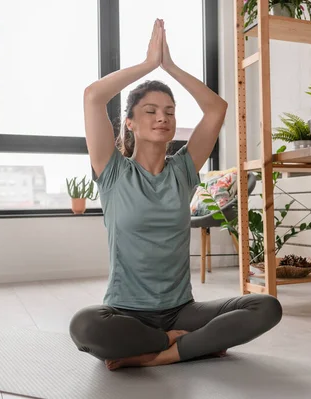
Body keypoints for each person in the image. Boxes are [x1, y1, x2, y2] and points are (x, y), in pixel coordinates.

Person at [69, 18, 282, 371]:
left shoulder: (182, 170)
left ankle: (163, 354)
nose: (162, 117)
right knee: (85, 326)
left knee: (266, 307)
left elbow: (217, 109)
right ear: (130, 123)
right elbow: (93, 96)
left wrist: (171, 67)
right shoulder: (113, 172)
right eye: (150, 111)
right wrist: (149, 65)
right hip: (125, 311)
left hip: (181, 309)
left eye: (169, 111)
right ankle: (180, 344)